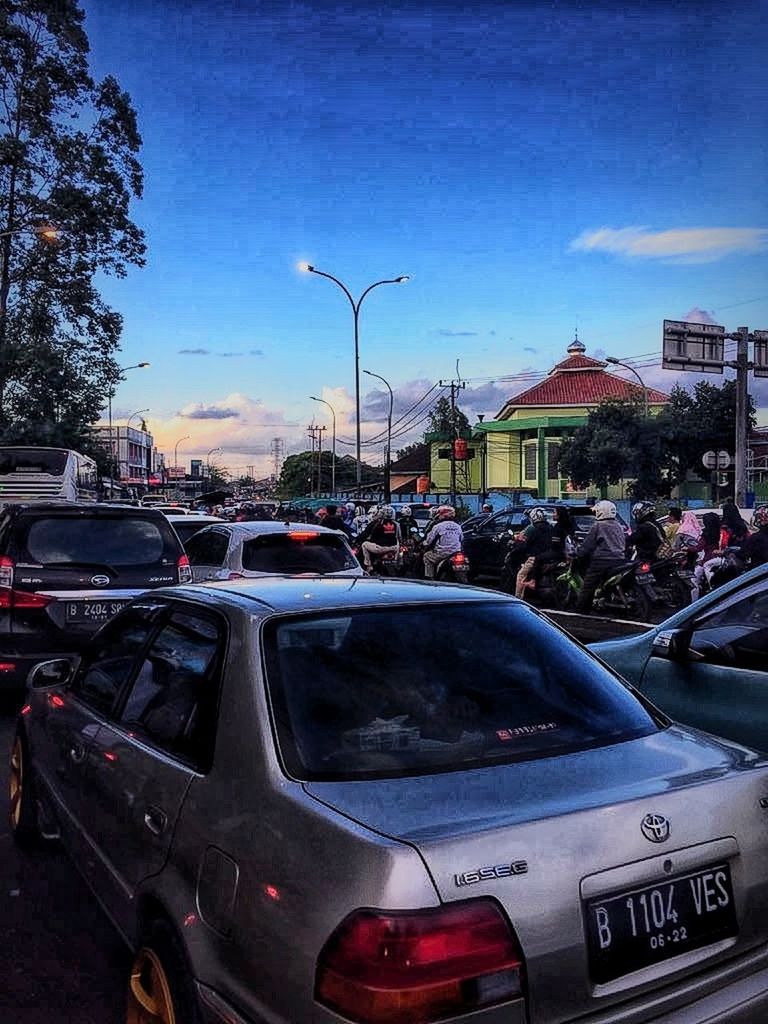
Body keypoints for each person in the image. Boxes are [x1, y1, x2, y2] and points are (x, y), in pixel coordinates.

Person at [574, 500, 627, 613]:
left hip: (602, 561)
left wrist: (578, 554)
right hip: (620, 559)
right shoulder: (619, 525)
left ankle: (581, 610)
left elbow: (587, 545)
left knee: (588, 585)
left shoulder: (598, 526)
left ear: (601, 512)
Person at [513, 507, 553, 598]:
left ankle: (518, 597)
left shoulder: (532, 528)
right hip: (548, 556)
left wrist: (517, 540)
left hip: (534, 557)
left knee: (521, 574)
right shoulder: (550, 527)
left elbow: (524, 542)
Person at [422, 505, 463, 579]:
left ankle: (430, 578)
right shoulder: (458, 526)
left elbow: (429, 540)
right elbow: (461, 539)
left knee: (426, 557)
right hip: (456, 553)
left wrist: (424, 544)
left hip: (442, 553)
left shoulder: (438, 526)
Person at [360, 504, 401, 571]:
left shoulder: (376, 523)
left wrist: (355, 540)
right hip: (394, 547)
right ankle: (397, 562)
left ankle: (369, 565)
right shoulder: (395, 524)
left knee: (364, 544)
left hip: (381, 548)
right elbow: (399, 537)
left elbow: (365, 534)